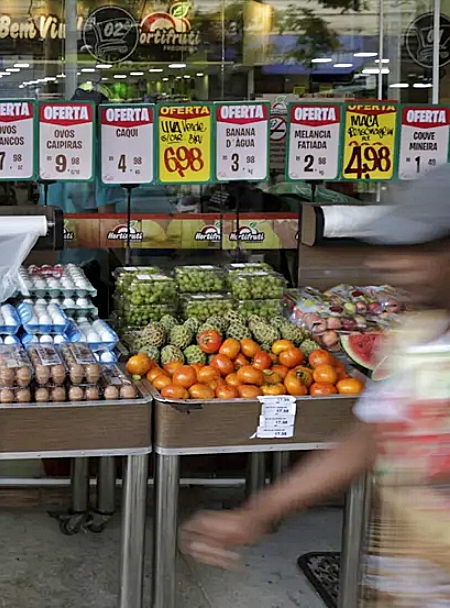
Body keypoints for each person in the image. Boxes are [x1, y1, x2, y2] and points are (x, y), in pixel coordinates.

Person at [181, 164, 450, 605]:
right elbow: (369, 438)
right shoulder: (417, 338)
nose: (392, 263)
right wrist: (257, 513)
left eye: (419, 249)